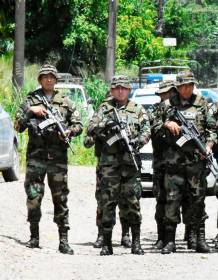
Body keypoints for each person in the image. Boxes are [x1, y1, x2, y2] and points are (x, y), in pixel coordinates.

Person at [15, 64, 83, 254]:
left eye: (52, 77)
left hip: (58, 159)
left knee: (60, 199)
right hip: (36, 158)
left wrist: (69, 132)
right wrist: (31, 111)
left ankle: (63, 240)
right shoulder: (31, 100)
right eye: (45, 77)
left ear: (56, 79)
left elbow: (78, 124)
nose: (49, 80)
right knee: (34, 198)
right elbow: (18, 125)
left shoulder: (65, 102)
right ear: (40, 79)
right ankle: (34, 237)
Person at [86, 75, 151, 255]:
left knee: (133, 203)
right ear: (112, 90)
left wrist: (138, 141)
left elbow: (147, 130)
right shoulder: (104, 108)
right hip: (109, 165)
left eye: (124, 88)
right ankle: (107, 243)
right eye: (117, 88)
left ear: (129, 90)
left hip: (130, 165)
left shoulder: (137, 109)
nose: (120, 91)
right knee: (107, 203)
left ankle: (136, 243)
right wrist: (108, 125)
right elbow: (91, 128)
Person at [154, 70, 217, 254]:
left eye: (189, 85)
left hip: (196, 163)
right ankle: (169, 241)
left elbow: (212, 128)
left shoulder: (203, 104)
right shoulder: (166, 105)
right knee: (171, 202)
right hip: (173, 164)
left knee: (197, 201)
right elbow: (153, 126)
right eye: (182, 86)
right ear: (177, 87)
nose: (186, 89)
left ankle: (199, 240)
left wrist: (209, 146)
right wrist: (166, 124)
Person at [147, 80, 177, 249]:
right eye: (163, 93)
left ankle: (188, 236)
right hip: (161, 161)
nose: (166, 96)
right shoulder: (154, 110)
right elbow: (152, 126)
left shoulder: (179, 108)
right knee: (161, 199)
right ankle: (161, 237)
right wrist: (165, 123)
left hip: (180, 162)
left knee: (182, 201)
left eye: (170, 92)